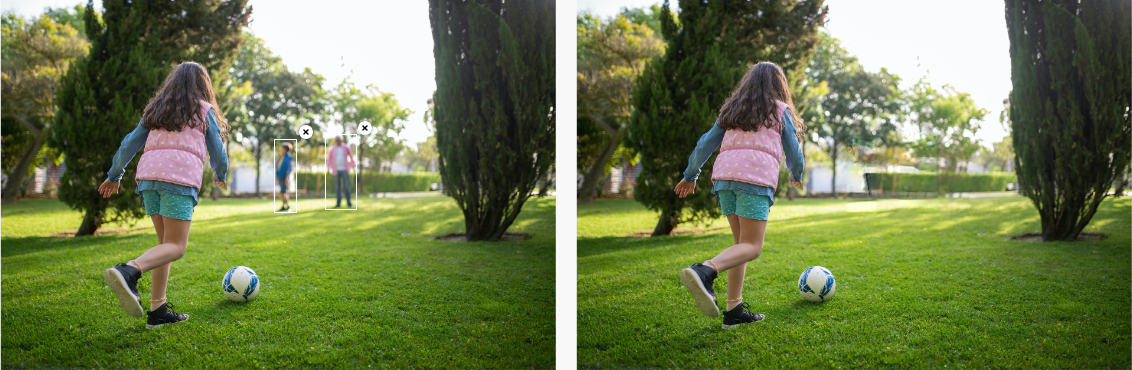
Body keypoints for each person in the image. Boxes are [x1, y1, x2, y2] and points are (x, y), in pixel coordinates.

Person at [98, 61, 229, 330]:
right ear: (203, 85)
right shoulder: (204, 110)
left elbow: (129, 143)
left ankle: (158, 310)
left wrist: (114, 175)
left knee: (164, 246)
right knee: (176, 247)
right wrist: (220, 172)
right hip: (178, 181)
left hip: (149, 180)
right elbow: (217, 147)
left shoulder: (157, 110)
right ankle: (129, 270)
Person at [675, 62, 806, 329]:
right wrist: (796, 172)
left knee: (740, 246)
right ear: (779, 85)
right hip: (754, 181)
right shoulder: (781, 110)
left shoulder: (732, 110)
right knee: (753, 247)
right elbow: (792, 147)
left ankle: (733, 310)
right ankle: (705, 270)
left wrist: (690, 175)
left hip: (724, 180)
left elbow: (705, 143)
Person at [326, 136, 355, 208]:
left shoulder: (346, 147)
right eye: (336, 140)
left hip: (345, 169)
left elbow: (351, 156)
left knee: (347, 186)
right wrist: (328, 167)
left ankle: (349, 203)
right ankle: (338, 203)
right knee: (337, 187)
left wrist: (353, 165)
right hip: (336, 170)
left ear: (341, 140)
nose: (337, 142)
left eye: (338, 140)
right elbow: (329, 158)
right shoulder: (333, 148)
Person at [276, 142, 293, 212]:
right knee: (282, 192)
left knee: (284, 191)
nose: (281, 150)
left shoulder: (288, 158)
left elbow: (289, 168)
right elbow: (277, 167)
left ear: (286, 150)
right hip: (280, 176)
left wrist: (287, 177)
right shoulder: (281, 157)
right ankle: (284, 205)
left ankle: (287, 206)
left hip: (285, 177)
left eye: (283, 149)